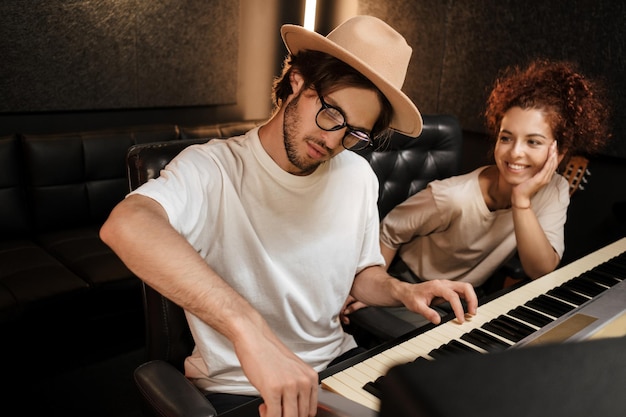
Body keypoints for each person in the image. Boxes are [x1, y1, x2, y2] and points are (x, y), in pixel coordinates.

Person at [100, 15, 477, 417]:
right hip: (241, 387)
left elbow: (360, 275)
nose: (333, 140)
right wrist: (250, 330)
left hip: (338, 371)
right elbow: (127, 224)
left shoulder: (357, 175)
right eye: (331, 113)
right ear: (297, 81)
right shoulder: (213, 168)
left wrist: (403, 292)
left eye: (353, 133)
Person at [342, 58, 611, 327]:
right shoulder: (453, 197)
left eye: (533, 142)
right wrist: (380, 292)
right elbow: (390, 231)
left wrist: (521, 201)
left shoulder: (556, 190)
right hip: (415, 287)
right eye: (506, 138)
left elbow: (540, 270)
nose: (515, 152)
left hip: (467, 295)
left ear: (559, 151)